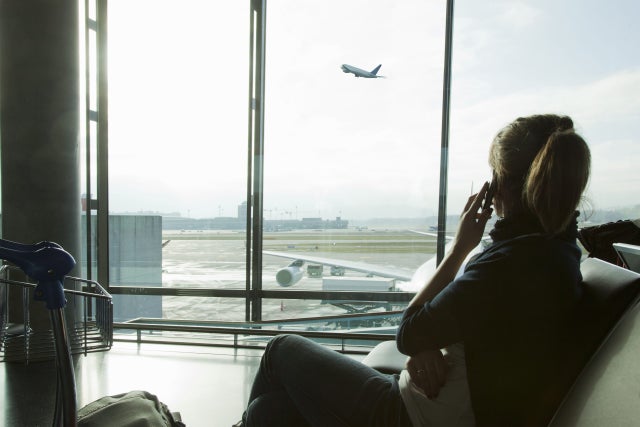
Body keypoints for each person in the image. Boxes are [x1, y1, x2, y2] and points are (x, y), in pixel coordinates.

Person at [238, 114, 591, 427]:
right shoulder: (556, 253)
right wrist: (428, 344)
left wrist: (458, 249)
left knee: (279, 349)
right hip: (434, 406)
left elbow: (408, 331)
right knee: (268, 413)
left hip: (409, 415)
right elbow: (440, 330)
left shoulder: (510, 262)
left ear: (499, 187)